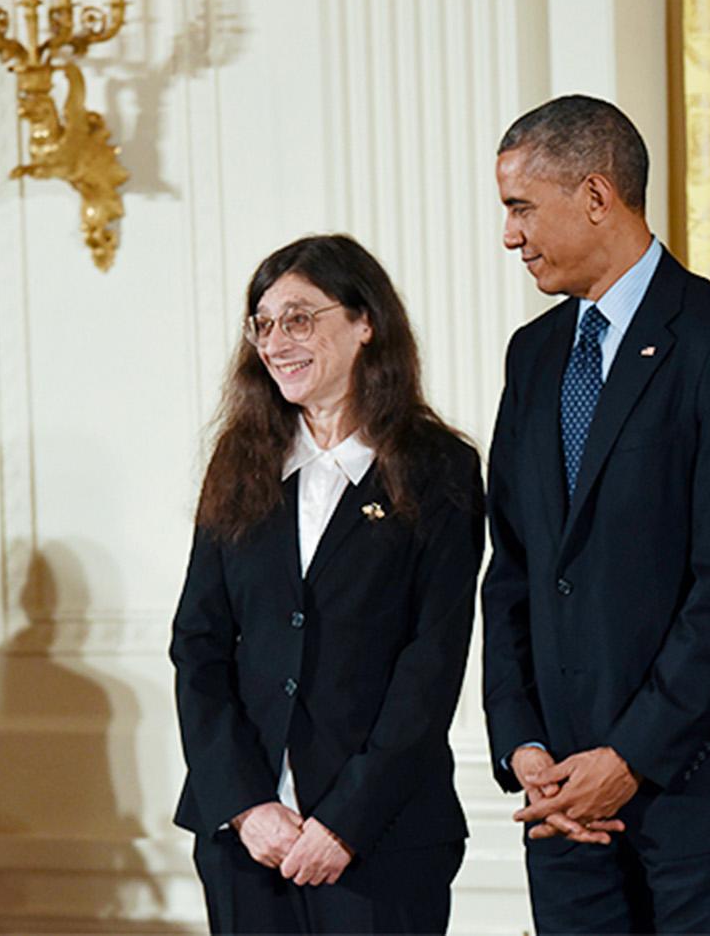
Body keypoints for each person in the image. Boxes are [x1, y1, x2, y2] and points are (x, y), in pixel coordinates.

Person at [480, 94, 710, 934]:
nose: (511, 237)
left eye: (521, 208)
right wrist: (524, 747)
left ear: (596, 196)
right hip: (563, 809)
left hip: (703, 797)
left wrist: (630, 759)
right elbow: (514, 568)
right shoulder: (534, 357)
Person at [170, 234, 484, 935]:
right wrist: (248, 805)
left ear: (365, 321)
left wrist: (344, 821)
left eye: (299, 318)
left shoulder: (439, 468)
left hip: (383, 840)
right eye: (263, 323)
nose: (276, 341)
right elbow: (198, 645)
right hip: (248, 840)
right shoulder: (239, 461)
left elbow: (431, 664)